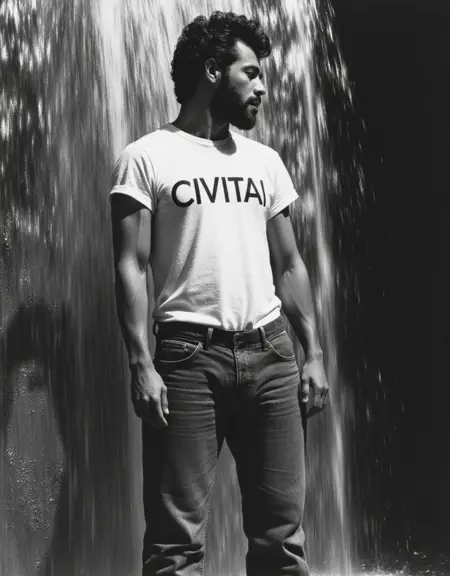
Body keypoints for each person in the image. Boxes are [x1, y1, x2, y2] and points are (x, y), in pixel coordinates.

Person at [109, 11, 329, 576]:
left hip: (272, 356)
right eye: (250, 73)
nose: (263, 87)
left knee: (283, 541)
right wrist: (140, 363)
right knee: (174, 546)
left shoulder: (265, 161)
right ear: (212, 71)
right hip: (187, 360)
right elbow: (131, 265)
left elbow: (290, 263)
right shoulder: (146, 156)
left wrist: (313, 354)